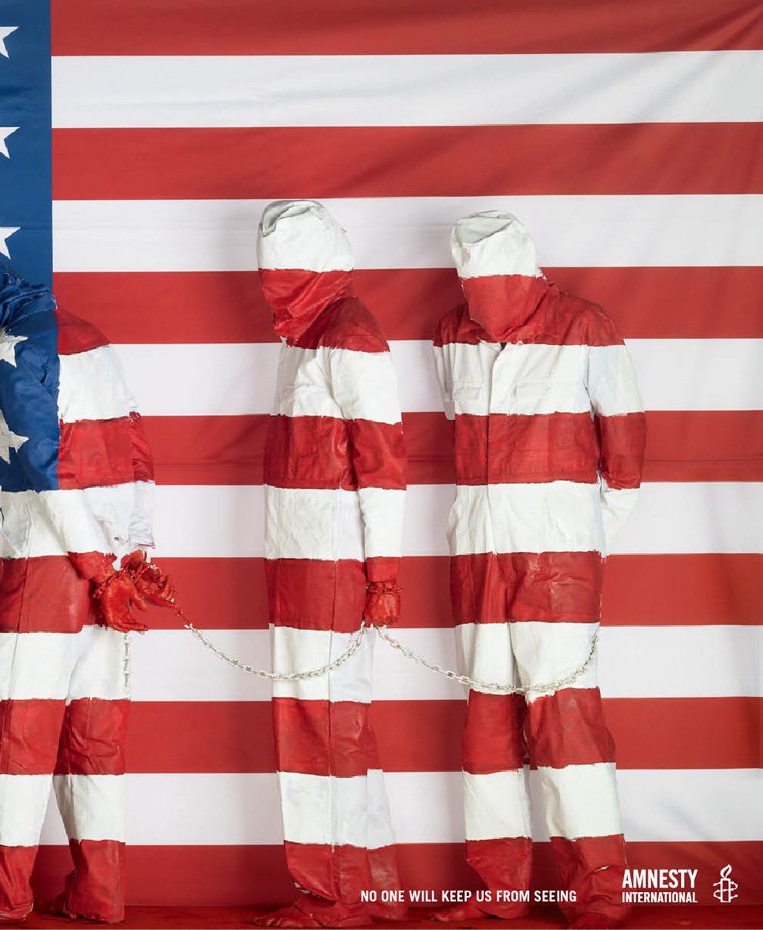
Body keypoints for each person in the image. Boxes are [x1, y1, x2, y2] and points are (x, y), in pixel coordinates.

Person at [0, 251, 166, 926]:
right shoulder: (92, 336)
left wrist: (97, 568)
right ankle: (99, 893)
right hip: (111, 559)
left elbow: (47, 468)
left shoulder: (19, 349)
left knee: (12, 732)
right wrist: (132, 562)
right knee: (94, 738)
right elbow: (136, 450)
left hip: (53, 563)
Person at [430, 212, 644, 930]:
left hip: (557, 563)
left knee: (566, 722)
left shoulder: (588, 329)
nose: (482, 299)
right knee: (486, 723)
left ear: (524, 272)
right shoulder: (450, 337)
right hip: (476, 558)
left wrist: (580, 541)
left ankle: (600, 891)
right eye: (472, 283)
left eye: (495, 283)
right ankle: (499, 886)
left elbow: (628, 459)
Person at [251, 202, 408, 929]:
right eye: (267, 271)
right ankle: (368, 888)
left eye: (281, 271)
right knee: (330, 721)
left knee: (320, 722)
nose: (269, 287)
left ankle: (333, 895)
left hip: (332, 569)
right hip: (301, 564)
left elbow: (383, 468)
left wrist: (384, 576)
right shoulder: (307, 340)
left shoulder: (349, 339)